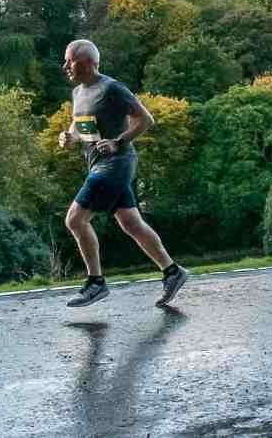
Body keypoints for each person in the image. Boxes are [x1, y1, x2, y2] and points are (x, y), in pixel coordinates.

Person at [59, 40, 188, 308]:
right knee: (131, 223)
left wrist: (117, 140)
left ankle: (96, 283)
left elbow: (145, 120)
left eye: (70, 60)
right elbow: (79, 127)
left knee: (75, 219)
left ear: (88, 62)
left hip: (115, 164)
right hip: (96, 164)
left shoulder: (112, 88)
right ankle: (173, 271)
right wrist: (69, 138)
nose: (65, 66)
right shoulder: (78, 93)